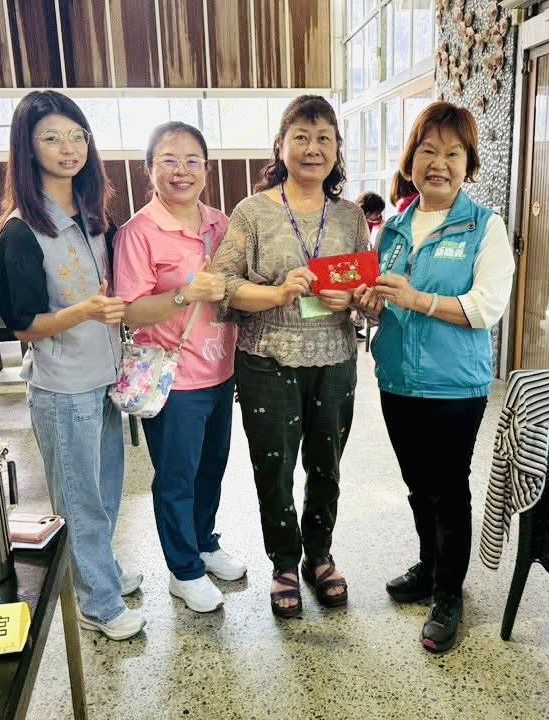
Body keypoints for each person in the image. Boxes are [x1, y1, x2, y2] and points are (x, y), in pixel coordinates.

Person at [354, 101, 515, 653]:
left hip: (454, 387)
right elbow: (385, 304)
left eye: (452, 153)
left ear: (469, 164)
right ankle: (428, 567)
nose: (439, 163)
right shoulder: (394, 228)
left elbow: (485, 308)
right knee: (417, 485)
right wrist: (371, 305)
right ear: (411, 160)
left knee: (448, 490)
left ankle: (449, 594)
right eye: (428, 151)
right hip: (397, 380)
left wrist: (417, 299)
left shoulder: (485, 227)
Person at [0, 90, 145, 641]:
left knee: (105, 489)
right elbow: (23, 325)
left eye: (77, 136)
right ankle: (96, 602)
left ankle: (101, 571)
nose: (68, 147)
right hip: (62, 387)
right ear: (28, 149)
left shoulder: (95, 215)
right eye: (51, 138)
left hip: (105, 379)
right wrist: (86, 311)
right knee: (79, 498)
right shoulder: (21, 231)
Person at [211, 95, 368, 618]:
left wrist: (356, 298)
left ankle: (319, 555)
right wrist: (278, 293)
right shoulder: (252, 212)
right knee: (273, 467)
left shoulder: (349, 216)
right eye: (301, 136)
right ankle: (283, 562)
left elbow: (365, 287)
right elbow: (222, 284)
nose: (312, 148)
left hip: (335, 357)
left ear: (337, 149)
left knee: (327, 465)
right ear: (280, 146)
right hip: (267, 358)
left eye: (324, 138)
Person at [113, 122, 245, 614]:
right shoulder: (139, 232)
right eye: (168, 160)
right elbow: (130, 310)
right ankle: (183, 570)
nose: (181, 170)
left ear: (206, 170)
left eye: (192, 160)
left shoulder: (221, 224)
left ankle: (204, 543)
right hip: (172, 380)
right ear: (149, 169)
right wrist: (185, 293)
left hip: (221, 371)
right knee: (176, 478)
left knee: (211, 468)